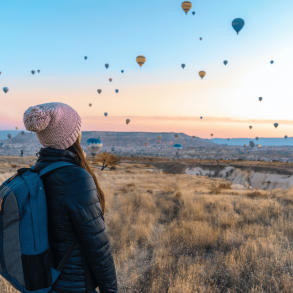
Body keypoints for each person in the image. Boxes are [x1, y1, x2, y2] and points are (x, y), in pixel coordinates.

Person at [23, 102, 118, 293]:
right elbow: (97, 244)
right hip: (74, 284)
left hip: (43, 282)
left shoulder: (36, 172)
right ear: (73, 136)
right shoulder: (76, 177)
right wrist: (111, 289)